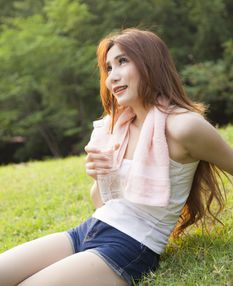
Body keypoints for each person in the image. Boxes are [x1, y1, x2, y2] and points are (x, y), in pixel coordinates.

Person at [0, 28, 232, 286]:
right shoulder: (116, 126)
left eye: (122, 61)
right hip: (88, 229)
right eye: (108, 68)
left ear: (150, 63)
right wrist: (99, 176)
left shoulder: (183, 126)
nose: (112, 77)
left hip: (130, 246)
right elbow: (101, 203)